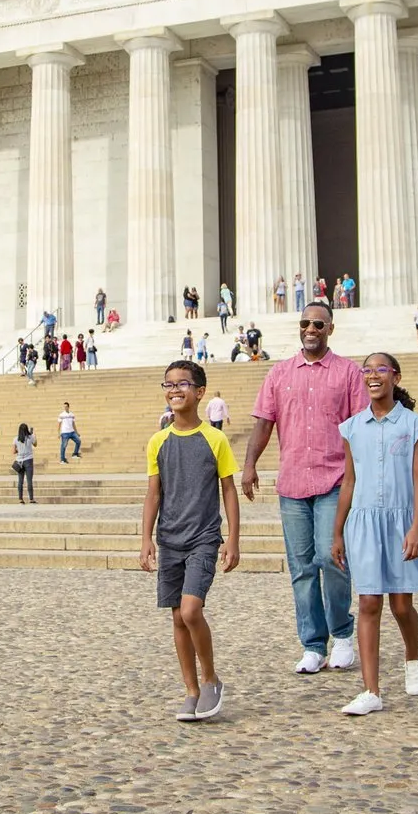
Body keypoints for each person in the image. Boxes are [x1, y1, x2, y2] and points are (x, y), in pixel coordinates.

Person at [243, 300, 367, 674]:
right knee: (301, 567)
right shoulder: (279, 374)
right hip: (293, 482)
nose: (310, 329)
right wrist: (249, 465)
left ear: (330, 328)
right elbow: (264, 424)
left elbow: (360, 428)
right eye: (305, 323)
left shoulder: (348, 373)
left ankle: (342, 634)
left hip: (334, 480)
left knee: (332, 558)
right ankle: (312, 643)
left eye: (318, 323)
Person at [332, 353, 418, 715]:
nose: (373, 376)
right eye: (367, 370)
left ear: (395, 376)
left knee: (401, 605)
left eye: (381, 370)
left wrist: (416, 528)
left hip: (399, 522)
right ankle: (371, 690)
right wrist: (337, 533)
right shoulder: (351, 427)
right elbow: (349, 480)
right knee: (368, 602)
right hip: (362, 522)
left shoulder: (413, 425)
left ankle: (413, 655)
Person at [140, 359, 240, 722]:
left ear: (199, 392)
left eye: (182, 384)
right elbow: (153, 494)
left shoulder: (215, 439)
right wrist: (146, 539)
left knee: (191, 610)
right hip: (170, 539)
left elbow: (228, 490)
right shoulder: (158, 441)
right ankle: (191, 690)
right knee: (177, 619)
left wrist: (233, 539)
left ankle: (211, 678)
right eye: (168, 384)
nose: (174, 390)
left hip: (203, 538)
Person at [14, 423, 36, 504]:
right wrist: (34, 435)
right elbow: (35, 444)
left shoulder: (16, 439)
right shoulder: (30, 437)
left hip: (19, 461)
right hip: (28, 460)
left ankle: (20, 499)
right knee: (29, 480)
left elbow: (13, 451)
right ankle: (31, 498)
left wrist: (19, 450)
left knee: (20, 481)